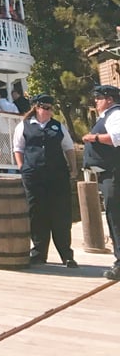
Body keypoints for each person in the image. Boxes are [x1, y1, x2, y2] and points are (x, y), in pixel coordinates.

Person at [14, 93, 77, 267]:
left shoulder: (58, 126)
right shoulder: (24, 126)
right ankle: (39, 253)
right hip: (34, 175)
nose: (49, 112)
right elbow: (18, 148)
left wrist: (73, 168)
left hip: (57, 176)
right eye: (46, 108)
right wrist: (22, 167)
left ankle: (66, 254)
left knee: (61, 214)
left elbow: (69, 147)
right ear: (37, 108)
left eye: (51, 109)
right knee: (37, 213)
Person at [82, 84, 120, 280]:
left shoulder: (115, 114)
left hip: (114, 174)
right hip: (108, 174)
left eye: (98, 97)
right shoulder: (108, 116)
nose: (95, 101)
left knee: (116, 218)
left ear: (109, 99)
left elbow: (117, 138)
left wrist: (94, 137)